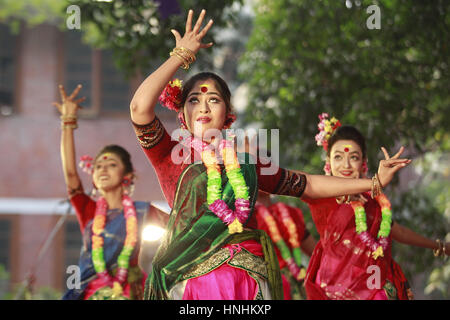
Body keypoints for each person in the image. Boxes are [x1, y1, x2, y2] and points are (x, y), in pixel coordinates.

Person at [129, 9, 411, 300]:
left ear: (227, 115)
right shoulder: (169, 154)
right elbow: (139, 109)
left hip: (247, 281)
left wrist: (373, 182)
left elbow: (307, 184)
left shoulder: (247, 165)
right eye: (194, 100)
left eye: (213, 100)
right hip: (190, 281)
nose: (203, 107)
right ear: (183, 115)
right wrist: (181, 55)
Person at [303, 113, 449, 300]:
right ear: (328, 163)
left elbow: (399, 232)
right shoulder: (321, 195)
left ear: (363, 163)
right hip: (334, 289)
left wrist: (440, 246)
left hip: (375, 288)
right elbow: (301, 182)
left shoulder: (374, 202)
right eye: (338, 157)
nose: (345, 165)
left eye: (353, 157)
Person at [55, 84, 150, 300]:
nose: (103, 170)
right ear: (94, 178)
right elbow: (71, 173)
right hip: (93, 291)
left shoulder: (143, 211)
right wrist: (68, 123)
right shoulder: (88, 209)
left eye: (111, 165)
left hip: (134, 290)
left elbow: (180, 230)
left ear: (128, 176)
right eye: (98, 166)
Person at [255, 191, 316, 299]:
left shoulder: (289, 212)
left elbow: (315, 252)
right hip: (271, 283)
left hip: (299, 277)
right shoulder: (248, 220)